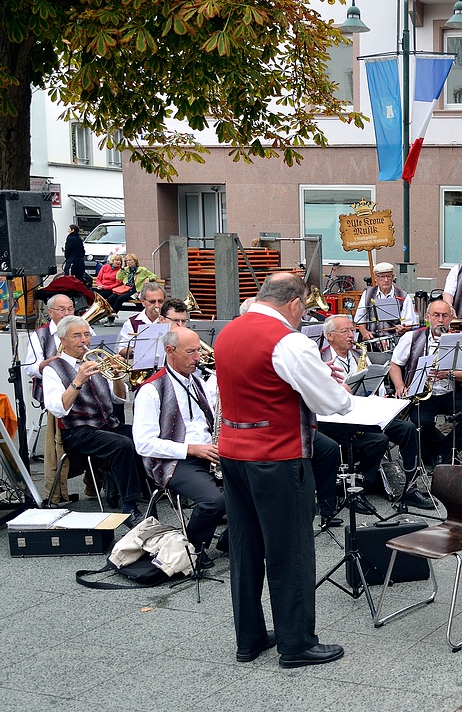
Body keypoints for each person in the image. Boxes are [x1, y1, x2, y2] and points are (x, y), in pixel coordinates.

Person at [215, 273, 352, 668]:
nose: (302, 317)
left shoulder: (228, 331)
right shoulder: (288, 341)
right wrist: (334, 385)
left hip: (233, 454)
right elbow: (333, 404)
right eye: (305, 310)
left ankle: (250, 638)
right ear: (294, 304)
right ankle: (296, 643)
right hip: (278, 456)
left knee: (245, 550)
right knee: (289, 551)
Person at [133, 327, 226, 564]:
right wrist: (191, 449)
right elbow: (143, 444)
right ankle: (192, 548)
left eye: (199, 351)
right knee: (214, 501)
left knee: (253, 484)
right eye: (191, 352)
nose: (198, 357)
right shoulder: (151, 390)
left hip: (207, 452)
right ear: (169, 351)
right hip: (172, 460)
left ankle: (229, 541)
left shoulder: (197, 382)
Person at [42, 316, 146, 527]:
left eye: (87, 334)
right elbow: (58, 409)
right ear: (63, 339)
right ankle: (129, 506)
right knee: (122, 444)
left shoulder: (97, 361)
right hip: (77, 430)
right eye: (77, 335)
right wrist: (77, 381)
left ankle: (140, 489)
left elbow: (119, 398)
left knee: (144, 436)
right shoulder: (53, 369)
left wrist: (117, 377)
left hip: (107, 424)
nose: (84, 340)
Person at [319, 315, 431, 510]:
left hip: (365, 411)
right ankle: (357, 489)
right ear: (329, 336)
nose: (351, 335)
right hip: (337, 418)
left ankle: (410, 488)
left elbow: (374, 382)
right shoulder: (320, 359)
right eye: (344, 331)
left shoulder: (358, 354)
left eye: (352, 329)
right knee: (378, 441)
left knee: (408, 428)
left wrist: (382, 398)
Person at [389, 299, 462, 468]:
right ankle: (441, 454)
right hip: (423, 393)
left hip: (452, 391)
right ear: (427, 317)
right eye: (436, 315)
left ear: (450, 319)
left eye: (444, 316)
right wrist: (399, 386)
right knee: (420, 421)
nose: (440, 320)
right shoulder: (412, 337)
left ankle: (443, 452)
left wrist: (449, 373)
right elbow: (395, 364)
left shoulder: (460, 340)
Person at [25, 295, 95, 503]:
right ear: (51, 312)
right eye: (62, 310)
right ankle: (56, 492)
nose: (67, 313)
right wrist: (51, 363)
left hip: (90, 394)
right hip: (57, 392)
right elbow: (30, 368)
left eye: (70, 309)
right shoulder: (40, 335)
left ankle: (98, 484)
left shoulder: (84, 328)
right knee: (58, 444)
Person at [353, 262, 416, 347]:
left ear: (393, 277)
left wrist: (402, 329)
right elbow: (360, 319)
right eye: (382, 277)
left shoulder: (403, 296)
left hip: (394, 343)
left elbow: (409, 323)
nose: (386, 280)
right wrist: (364, 332)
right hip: (370, 342)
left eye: (389, 276)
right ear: (375, 278)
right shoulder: (367, 294)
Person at [116, 282, 166, 356]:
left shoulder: (170, 319)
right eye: (152, 302)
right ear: (142, 302)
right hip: (142, 366)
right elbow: (122, 350)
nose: (157, 305)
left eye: (160, 301)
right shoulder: (131, 323)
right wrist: (136, 351)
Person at [93, 254, 124, 320]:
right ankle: (92, 314)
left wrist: (105, 287)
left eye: (120, 261)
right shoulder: (105, 267)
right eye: (116, 260)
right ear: (112, 261)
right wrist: (99, 285)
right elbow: (99, 278)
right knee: (89, 293)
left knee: (100, 296)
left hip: (111, 289)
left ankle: (103, 315)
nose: (118, 262)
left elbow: (117, 284)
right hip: (102, 287)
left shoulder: (120, 271)